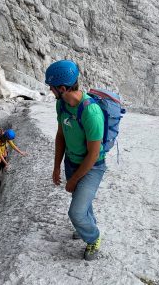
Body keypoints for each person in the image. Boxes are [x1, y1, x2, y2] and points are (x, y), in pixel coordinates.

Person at [46, 60, 107, 261]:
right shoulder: (61, 104)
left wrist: (72, 180)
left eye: (51, 87)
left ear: (62, 88)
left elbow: (93, 154)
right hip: (71, 162)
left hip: (92, 167)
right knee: (82, 202)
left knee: (76, 212)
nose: (50, 90)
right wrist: (57, 167)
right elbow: (61, 136)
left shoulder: (91, 112)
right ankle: (85, 226)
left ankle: (93, 237)